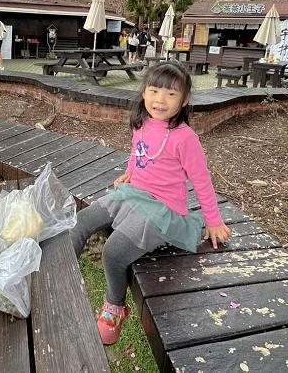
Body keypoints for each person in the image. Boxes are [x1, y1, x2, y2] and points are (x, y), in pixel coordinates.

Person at [69, 62, 231, 345]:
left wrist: (214, 220)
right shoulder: (142, 123)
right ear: (144, 92)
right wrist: (130, 172)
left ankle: (114, 308)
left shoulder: (185, 138)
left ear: (185, 100)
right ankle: (61, 275)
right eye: (154, 90)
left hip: (162, 210)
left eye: (170, 94)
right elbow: (137, 152)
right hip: (134, 194)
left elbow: (202, 181)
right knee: (80, 222)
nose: (160, 99)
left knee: (114, 252)